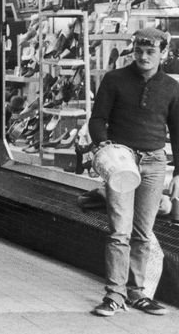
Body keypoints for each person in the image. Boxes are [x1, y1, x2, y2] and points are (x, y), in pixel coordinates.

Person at [87, 26, 179, 317]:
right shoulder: (114, 79)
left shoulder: (172, 87)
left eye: (151, 51)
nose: (143, 56)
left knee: (143, 232)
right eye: (139, 50)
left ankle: (137, 294)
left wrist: (178, 173)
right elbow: (97, 119)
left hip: (154, 163)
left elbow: (177, 131)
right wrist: (104, 145)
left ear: (163, 53)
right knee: (119, 232)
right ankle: (114, 295)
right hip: (122, 162)